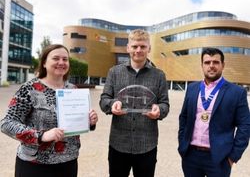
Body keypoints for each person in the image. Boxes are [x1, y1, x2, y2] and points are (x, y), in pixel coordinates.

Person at [0, 44, 98, 177]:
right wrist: (41, 136)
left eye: (65, 59)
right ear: (44, 63)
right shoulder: (30, 88)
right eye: (56, 58)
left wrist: (90, 122)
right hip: (35, 165)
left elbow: (75, 125)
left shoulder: (73, 89)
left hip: (68, 163)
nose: (61, 62)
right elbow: (7, 123)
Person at [99, 29, 169, 177]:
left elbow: (165, 104)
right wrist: (112, 105)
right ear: (128, 48)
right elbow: (104, 99)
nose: (138, 50)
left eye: (143, 47)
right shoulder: (114, 72)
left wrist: (159, 110)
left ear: (149, 48)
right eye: (135, 46)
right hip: (118, 144)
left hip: (147, 145)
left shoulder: (159, 75)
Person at [178, 47, 250, 177]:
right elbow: (183, 118)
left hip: (219, 159)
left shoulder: (237, 92)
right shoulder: (192, 89)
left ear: (223, 65)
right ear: (202, 65)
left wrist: (233, 157)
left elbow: (245, 126)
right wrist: (182, 145)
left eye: (216, 62)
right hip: (191, 156)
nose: (211, 66)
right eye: (207, 62)